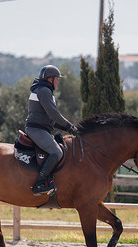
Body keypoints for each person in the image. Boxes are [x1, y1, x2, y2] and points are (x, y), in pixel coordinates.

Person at [25, 65, 78, 196]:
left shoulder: (42, 90)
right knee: (56, 152)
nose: (58, 82)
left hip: (40, 128)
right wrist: (70, 126)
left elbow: (51, 120)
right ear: (50, 79)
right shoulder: (44, 91)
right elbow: (54, 114)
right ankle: (39, 184)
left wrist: (67, 128)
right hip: (37, 129)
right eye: (57, 79)